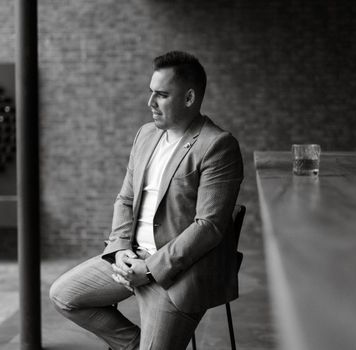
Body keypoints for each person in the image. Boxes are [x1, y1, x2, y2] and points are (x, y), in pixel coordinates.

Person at [49, 51, 244, 350]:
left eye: (162, 95)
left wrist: (151, 269)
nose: (150, 102)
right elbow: (125, 199)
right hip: (130, 259)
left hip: (175, 274)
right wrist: (120, 249)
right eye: (151, 92)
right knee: (63, 295)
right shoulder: (146, 135)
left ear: (189, 97)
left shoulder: (217, 145)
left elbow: (209, 226)